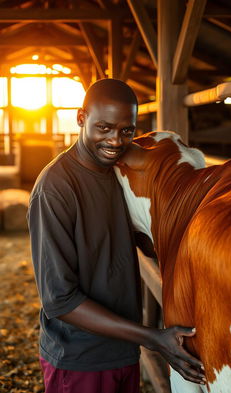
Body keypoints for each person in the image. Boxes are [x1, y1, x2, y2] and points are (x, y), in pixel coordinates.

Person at [27, 78, 205, 393]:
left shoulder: (120, 173)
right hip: (80, 358)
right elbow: (59, 300)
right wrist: (153, 337)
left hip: (123, 349)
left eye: (127, 131)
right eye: (104, 128)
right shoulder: (54, 188)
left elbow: (142, 242)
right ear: (81, 118)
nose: (115, 140)